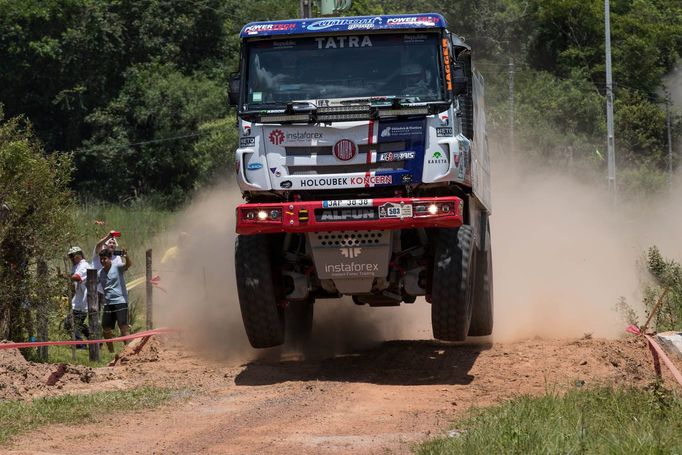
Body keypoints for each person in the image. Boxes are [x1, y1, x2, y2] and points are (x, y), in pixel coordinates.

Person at [97, 247, 132, 353]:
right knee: (105, 327)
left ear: (110, 258)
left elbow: (128, 265)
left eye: (105, 259)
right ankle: (111, 351)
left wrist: (126, 257)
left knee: (123, 326)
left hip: (120, 301)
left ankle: (129, 349)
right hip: (108, 303)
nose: (103, 261)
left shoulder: (117, 267)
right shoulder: (100, 273)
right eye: (101, 259)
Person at [66, 246, 91, 348]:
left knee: (73, 324)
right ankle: (94, 339)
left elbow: (77, 277)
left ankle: (80, 345)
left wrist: (66, 276)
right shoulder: (76, 266)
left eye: (73, 256)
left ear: (79, 255)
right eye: (70, 256)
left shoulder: (84, 265)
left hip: (84, 301)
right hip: (77, 301)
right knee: (72, 323)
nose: (71, 258)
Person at [92, 232, 123, 311]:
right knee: (95, 312)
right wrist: (108, 236)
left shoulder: (117, 258)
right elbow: (98, 245)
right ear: (105, 245)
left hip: (110, 290)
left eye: (113, 243)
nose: (112, 244)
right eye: (110, 242)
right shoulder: (99, 253)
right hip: (96, 289)